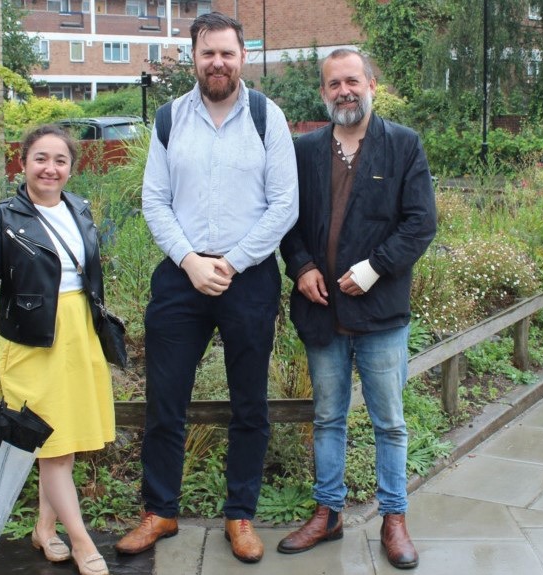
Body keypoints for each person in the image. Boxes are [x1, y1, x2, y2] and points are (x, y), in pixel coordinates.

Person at [113, 11, 298, 565]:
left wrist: (234, 263)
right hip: (180, 278)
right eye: (207, 52)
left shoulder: (268, 117)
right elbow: (154, 200)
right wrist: (191, 261)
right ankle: (160, 510)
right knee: (165, 401)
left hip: (250, 278)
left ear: (242, 57)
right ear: (193, 56)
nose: (217, 62)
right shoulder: (171, 119)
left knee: (250, 405)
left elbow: (284, 203)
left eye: (227, 52)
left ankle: (239, 515)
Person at [277, 49, 437, 570]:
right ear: (322, 93)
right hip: (323, 313)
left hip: (381, 314)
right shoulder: (304, 151)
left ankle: (394, 518)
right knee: (328, 419)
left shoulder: (403, 146)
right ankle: (329, 512)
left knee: (389, 422)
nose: (344, 91)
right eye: (333, 84)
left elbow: (419, 223)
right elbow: (288, 223)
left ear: (371, 82)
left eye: (352, 81)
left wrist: (375, 267)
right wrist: (300, 267)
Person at [0, 125, 115, 575]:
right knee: (51, 444)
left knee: (62, 444)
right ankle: (82, 541)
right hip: (32, 337)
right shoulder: (3, 217)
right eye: (41, 158)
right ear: (23, 162)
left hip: (78, 333)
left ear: (71, 167)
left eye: (60, 160)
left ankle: (44, 530)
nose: (50, 168)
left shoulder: (80, 209)